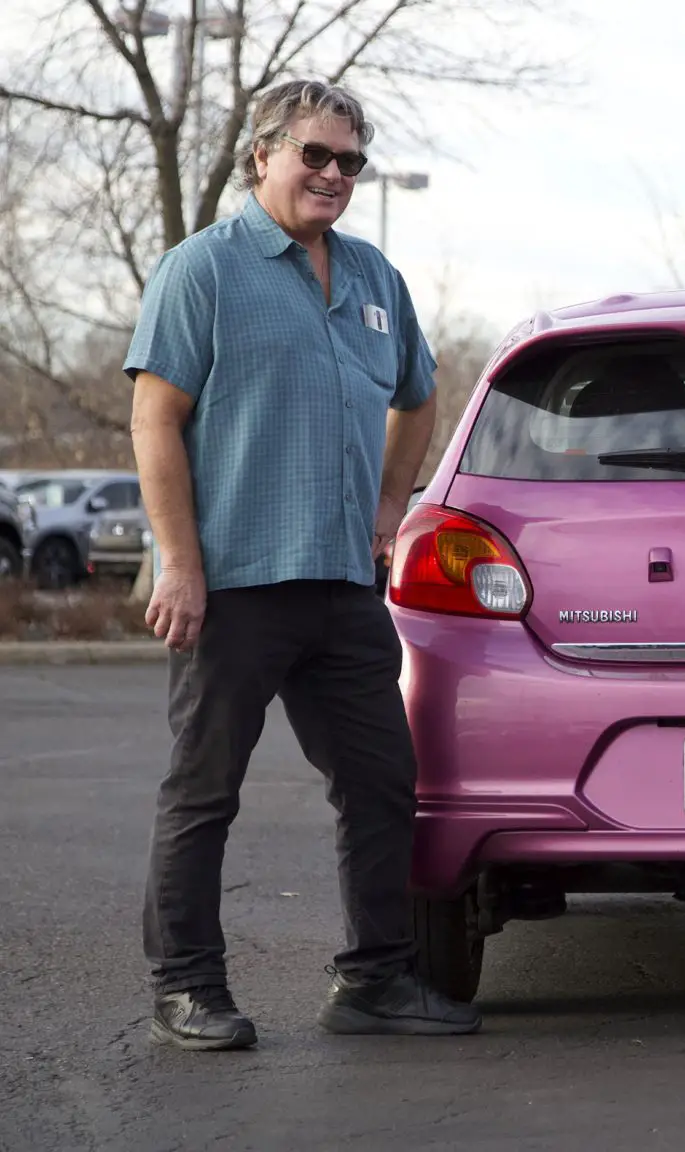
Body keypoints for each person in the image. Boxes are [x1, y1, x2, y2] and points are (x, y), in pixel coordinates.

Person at [125, 79, 479, 1050]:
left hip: (342, 587)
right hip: (233, 587)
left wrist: (389, 508)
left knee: (381, 783)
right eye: (314, 155)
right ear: (262, 158)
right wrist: (179, 564)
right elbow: (155, 418)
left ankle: (373, 980)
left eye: (349, 162)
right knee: (204, 794)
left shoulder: (373, 279)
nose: (333, 175)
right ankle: (187, 988)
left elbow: (418, 395)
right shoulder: (203, 271)